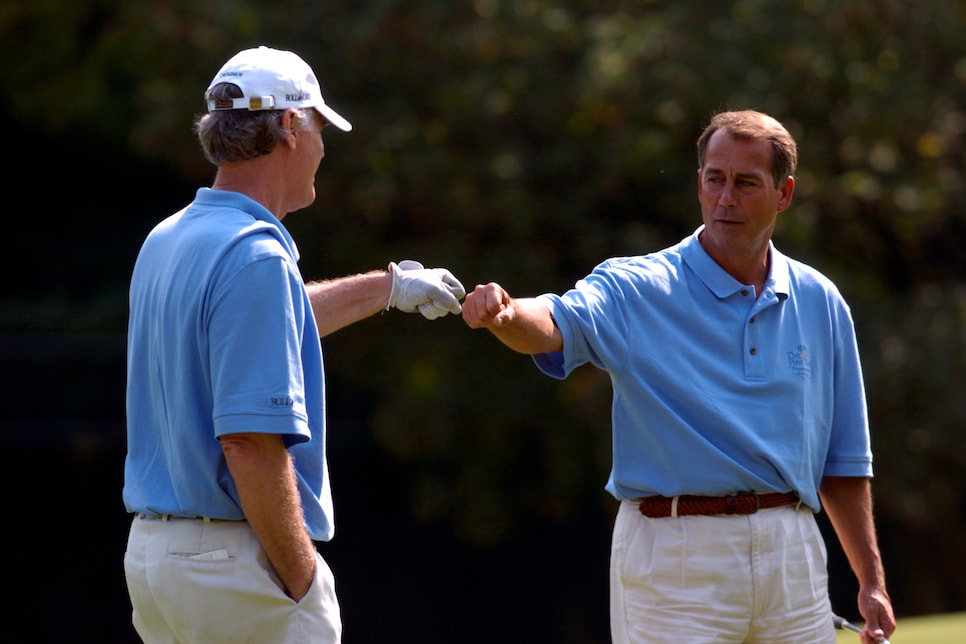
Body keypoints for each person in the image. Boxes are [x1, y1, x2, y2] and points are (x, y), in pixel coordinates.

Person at [462, 110, 895, 643]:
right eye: (715, 179)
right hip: (673, 556)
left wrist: (871, 580)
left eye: (745, 183)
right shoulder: (635, 286)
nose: (725, 198)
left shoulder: (821, 301)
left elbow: (844, 461)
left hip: (793, 554)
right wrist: (506, 314)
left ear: (783, 194)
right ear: (698, 183)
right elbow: (553, 322)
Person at [123, 46, 465, 643]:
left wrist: (389, 286)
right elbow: (249, 444)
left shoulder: (170, 236)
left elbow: (264, 323)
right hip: (232, 566)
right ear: (288, 126)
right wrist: (302, 576)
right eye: (318, 128)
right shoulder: (254, 254)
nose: (323, 148)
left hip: (156, 560)